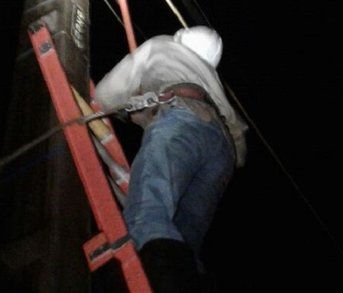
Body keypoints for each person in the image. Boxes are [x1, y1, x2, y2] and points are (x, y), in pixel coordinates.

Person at [93, 25, 248, 293]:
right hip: (223, 152)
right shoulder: (211, 79)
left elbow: (105, 95)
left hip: (181, 119)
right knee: (185, 239)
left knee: (147, 214)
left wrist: (118, 106)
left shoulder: (162, 45)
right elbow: (239, 147)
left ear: (181, 38)